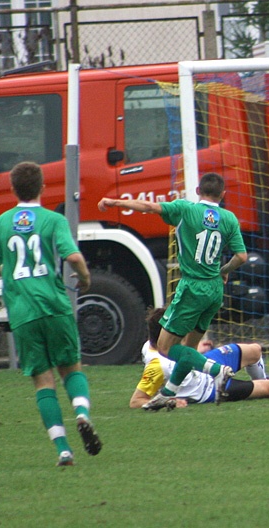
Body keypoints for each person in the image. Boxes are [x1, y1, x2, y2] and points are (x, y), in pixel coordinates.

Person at [0, 162, 102, 467]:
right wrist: (85, 279)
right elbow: (73, 256)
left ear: (12, 188)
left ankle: (63, 450)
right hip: (54, 305)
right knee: (71, 369)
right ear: (43, 187)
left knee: (43, 381)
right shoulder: (53, 220)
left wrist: (8, 267)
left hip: (23, 312)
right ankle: (82, 414)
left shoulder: (0, 223)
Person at [98, 173, 248, 411]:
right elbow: (241, 257)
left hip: (192, 288)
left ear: (198, 190)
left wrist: (116, 203)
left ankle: (219, 372)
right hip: (215, 290)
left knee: (165, 347)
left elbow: (148, 206)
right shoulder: (229, 218)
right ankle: (167, 394)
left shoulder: (185, 209)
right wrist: (223, 270)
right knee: (188, 350)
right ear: (223, 195)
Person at [130, 308, 269, 409]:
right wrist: (172, 402)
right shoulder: (156, 365)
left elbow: (182, 355)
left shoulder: (158, 344)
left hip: (203, 365)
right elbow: (136, 401)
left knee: (254, 350)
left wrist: (197, 350)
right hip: (209, 389)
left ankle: (265, 377)